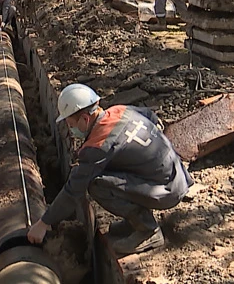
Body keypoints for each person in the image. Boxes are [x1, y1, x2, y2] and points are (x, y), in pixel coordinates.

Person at [27, 83, 194, 256]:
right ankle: (134, 222)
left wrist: (43, 223)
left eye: (71, 124)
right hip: (177, 174)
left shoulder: (98, 145)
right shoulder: (120, 111)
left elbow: (73, 190)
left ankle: (148, 231)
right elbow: (150, 116)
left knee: (96, 184)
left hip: (166, 190)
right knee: (110, 169)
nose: (71, 130)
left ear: (85, 119)